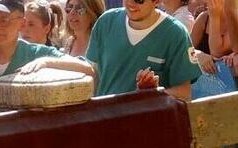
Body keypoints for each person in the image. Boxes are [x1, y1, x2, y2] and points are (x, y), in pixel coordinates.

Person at [29, 0, 201, 101]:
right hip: (105, 124)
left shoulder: (175, 33)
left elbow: (184, 93)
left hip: (148, 132)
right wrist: (48, 62)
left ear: (156, 1)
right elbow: (92, 71)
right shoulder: (106, 22)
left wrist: (152, 95)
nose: (131, 3)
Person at [0, 0, 65, 116]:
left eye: (4, 20)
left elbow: (86, 68)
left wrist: (46, 62)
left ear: (22, 24)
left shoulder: (37, 54)